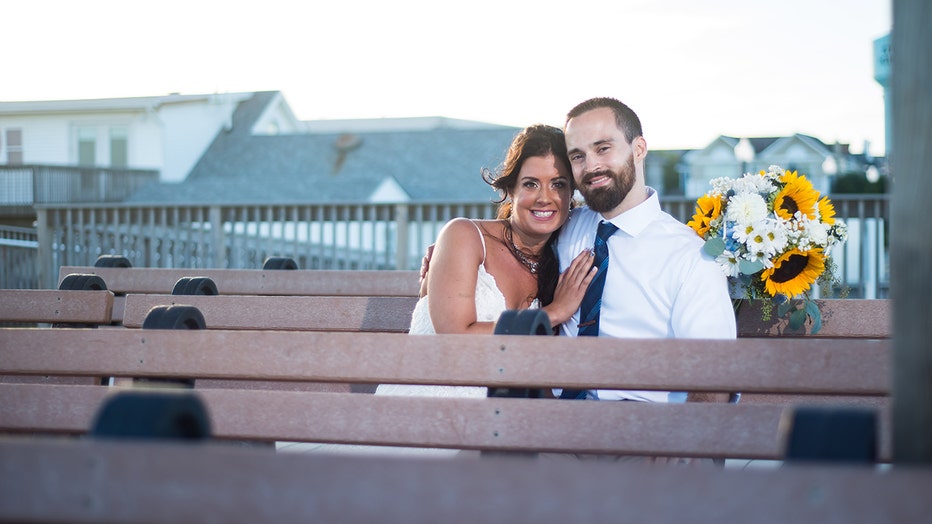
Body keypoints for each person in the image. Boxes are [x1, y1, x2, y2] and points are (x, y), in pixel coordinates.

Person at [555, 96, 736, 405]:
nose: (591, 166)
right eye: (577, 156)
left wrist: (678, 443)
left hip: (643, 429)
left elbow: (715, 373)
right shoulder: (563, 229)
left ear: (638, 149)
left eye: (603, 148)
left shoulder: (689, 256)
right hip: (554, 422)